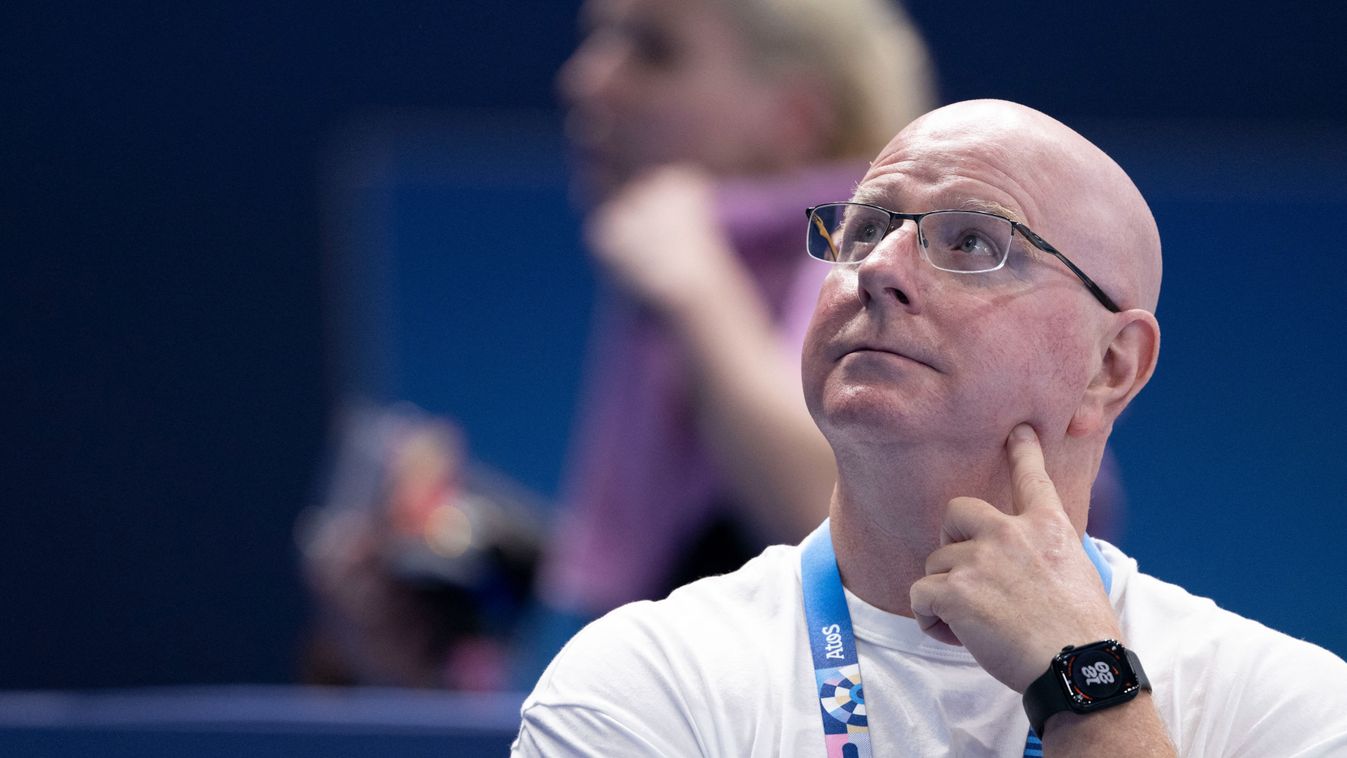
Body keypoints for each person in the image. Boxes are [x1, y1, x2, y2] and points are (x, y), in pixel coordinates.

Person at [512, 100, 1347, 756]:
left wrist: (1089, 696)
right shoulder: (646, 681)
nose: (876, 268)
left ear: (1111, 368)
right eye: (865, 228)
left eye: (974, 242)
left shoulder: (1285, 705)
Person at [529, 0, 938, 657]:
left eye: (653, 50)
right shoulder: (666, 284)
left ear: (795, 117)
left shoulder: (893, 265)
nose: (587, 79)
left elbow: (848, 525)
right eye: (598, 42)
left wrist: (697, 288)